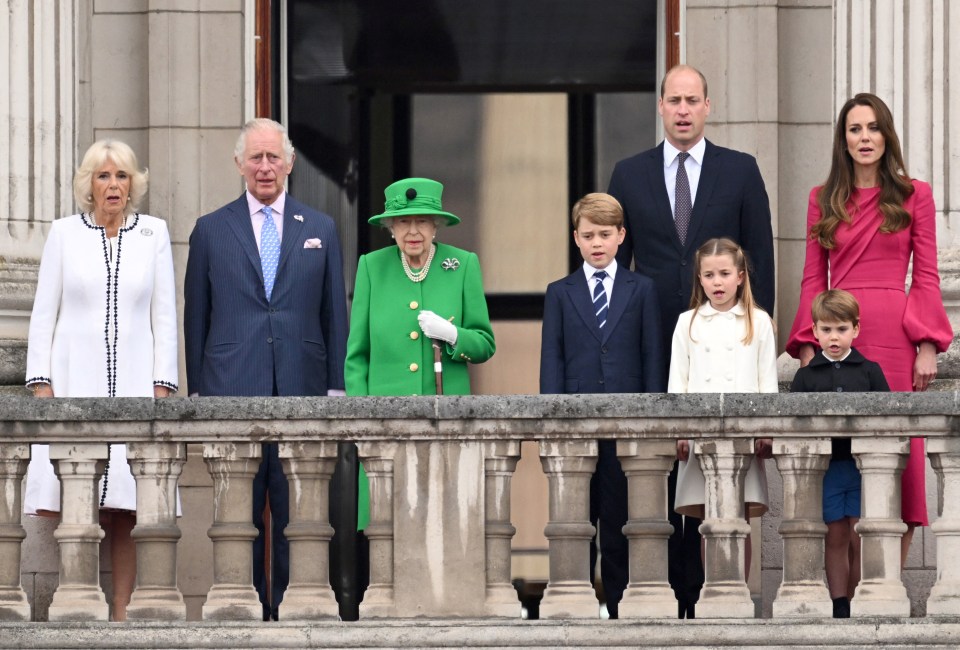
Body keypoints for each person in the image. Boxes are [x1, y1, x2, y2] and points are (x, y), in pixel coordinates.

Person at [607, 63, 775, 618]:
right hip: (651, 341)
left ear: (708, 106)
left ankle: (709, 594)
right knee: (659, 468)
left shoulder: (741, 170)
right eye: (673, 100)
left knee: (717, 479)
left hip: (725, 344)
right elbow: (614, 262)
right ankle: (659, 594)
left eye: (692, 100)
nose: (682, 109)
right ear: (660, 106)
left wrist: (758, 336)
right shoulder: (628, 174)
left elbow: (762, 261)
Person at [183, 118, 349, 621]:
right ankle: (248, 611)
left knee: (299, 513)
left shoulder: (319, 228)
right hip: (232, 388)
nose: (264, 167)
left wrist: (336, 387)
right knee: (239, 516)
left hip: (302, 387)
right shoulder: (211, 229)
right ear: (239, 165)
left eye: (273, 157)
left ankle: (294, 610)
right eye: (255, 158)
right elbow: (197, 316)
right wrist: (198, 394)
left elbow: (333, 313)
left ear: (290, 162)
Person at [785, 93, 953, 565]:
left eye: (874, 128)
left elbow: (926, 276)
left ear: (887, 136)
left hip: (896, 339)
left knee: (900, 461)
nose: (865, 138)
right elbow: (813, 278)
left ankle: (886, 587)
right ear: (843, 139)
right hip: (839, 333)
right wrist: (806, 347)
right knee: (845, 460)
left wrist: (926, 344)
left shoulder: (914, 193)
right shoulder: (822, 198)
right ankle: (850, 591)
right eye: (855, 129)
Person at [24, 139, 178, 621]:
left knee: (127, 507)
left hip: (135, 384)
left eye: (122, 176)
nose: (114, 185)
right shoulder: (64, 234)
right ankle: (78, 602)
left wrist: (162, 387)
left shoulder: (154, 233)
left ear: (134, 184)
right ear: (88, 184)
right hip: (75, 384)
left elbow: (164, 318)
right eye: (104, 176)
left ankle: (122, 612)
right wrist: (41, 384)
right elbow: (43, 314)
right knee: (79, 499)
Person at [540, 192, 665, 619]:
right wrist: (551, 427)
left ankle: (619, 611)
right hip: (575, 428)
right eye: (589, 235)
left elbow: (652, 360)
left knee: (618, 522)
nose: (597, 243)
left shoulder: (642, 288)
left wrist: (651, 426)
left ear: (621, 237)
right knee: (576, 524)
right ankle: (576, 610)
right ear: (576, 238)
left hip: (627, 428)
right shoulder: (560, 292)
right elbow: (551, 363)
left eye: (605, 235)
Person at [669, 238, 776, 581]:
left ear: (741, 276)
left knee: (738, 520)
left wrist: (766, 430)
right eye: (709, 275)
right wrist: (681, 432)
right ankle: (714, 590)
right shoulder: (687, 322)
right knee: (709, 521)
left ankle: (739, 592)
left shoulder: (758, 322)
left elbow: (766, 382)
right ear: (699, 279)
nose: (717, 282)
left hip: (743, 437)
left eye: (725, 273)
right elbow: (678, 383)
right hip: (701, 438)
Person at [790, 289, 890, 618]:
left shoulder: (870, 371)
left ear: (856, 329)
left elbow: (887, 419)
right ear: (815, 331)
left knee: (861, 534)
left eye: (842, 329)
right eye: (827, 329)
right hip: (827, 470)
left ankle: (858, 597)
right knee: (835, 535)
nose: (834, 337)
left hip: (864, 469)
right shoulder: (805, 377)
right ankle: (839, 603)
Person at [345, 177, 495, 396]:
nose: (413, 231)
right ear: (391, 228)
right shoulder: (371, 267)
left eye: (422, 221)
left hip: (446, 411)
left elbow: (485, 345)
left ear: (435, 225)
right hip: (384, 413)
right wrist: (360, 415)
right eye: (403, 221)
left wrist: (453, 335)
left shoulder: (463, 265)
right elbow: (357, 356)